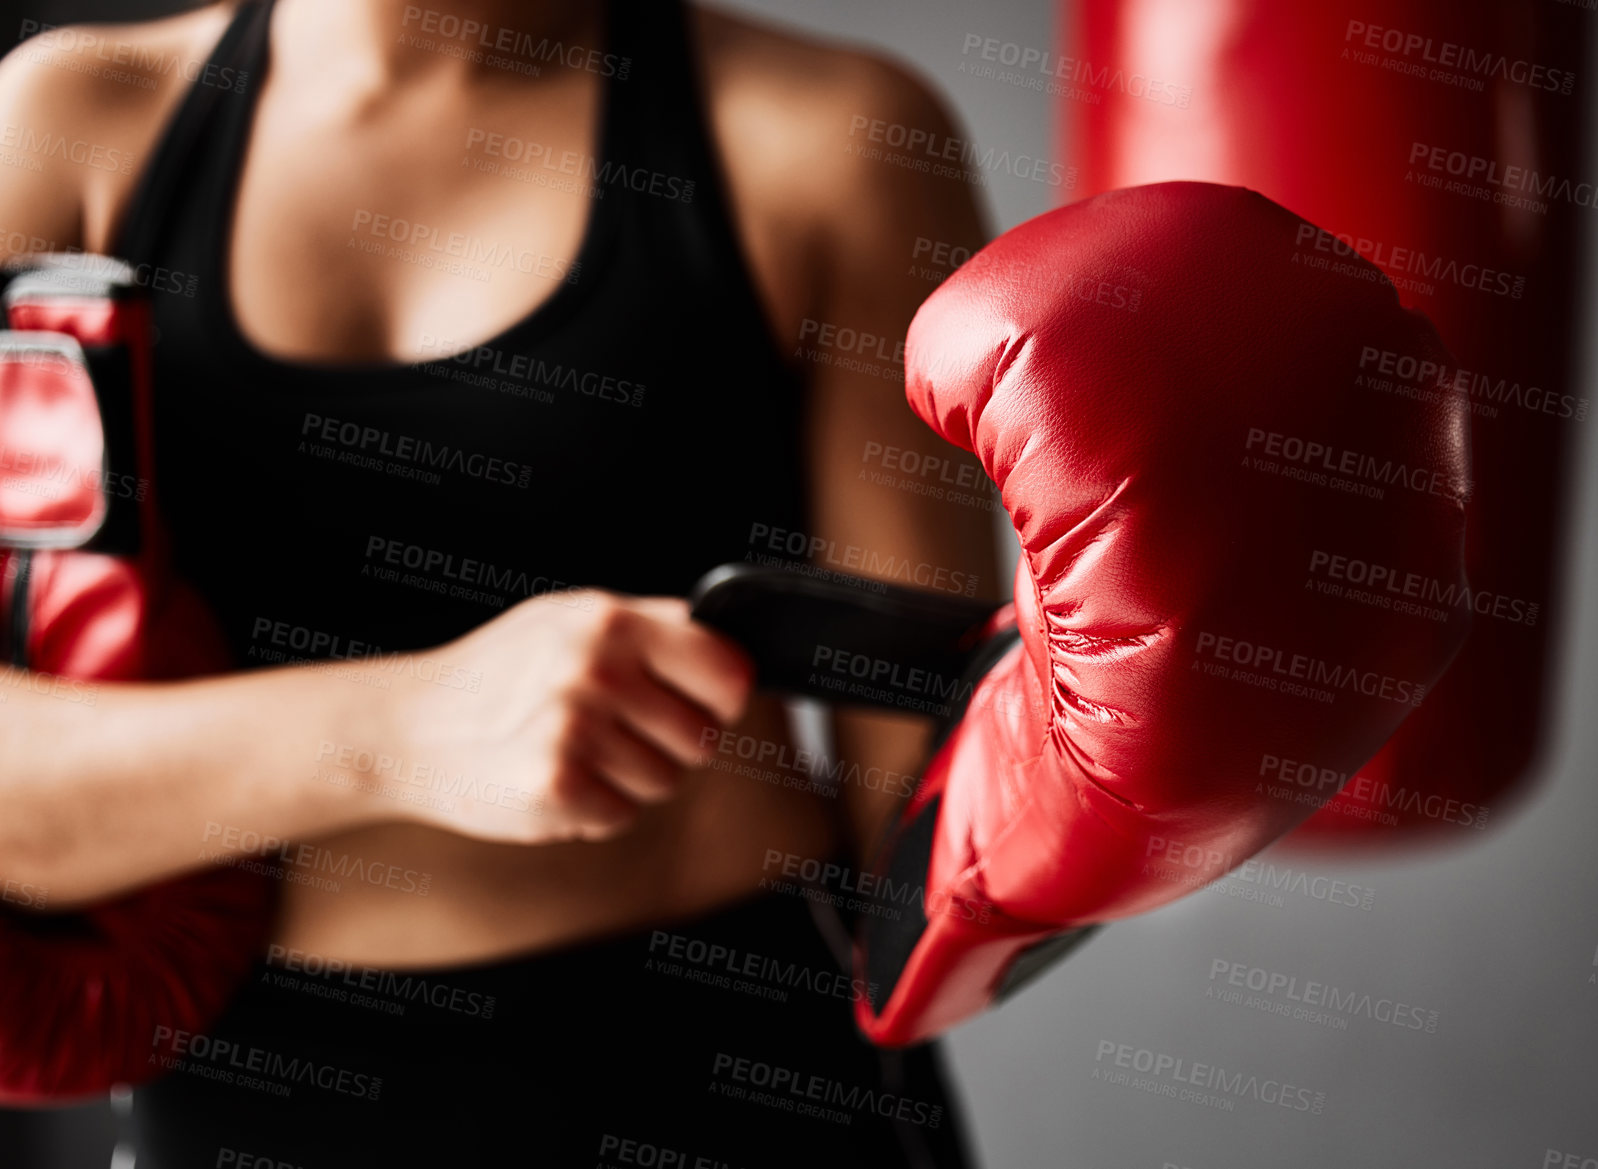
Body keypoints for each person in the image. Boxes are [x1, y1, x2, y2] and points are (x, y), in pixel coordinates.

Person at [0, 0, 1000, 1163]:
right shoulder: (63, 122)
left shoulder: (830, 136)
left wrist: (1153, 698)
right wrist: (412, 726)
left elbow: (938, 833)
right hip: (244, 1097)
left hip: (729, 1076)